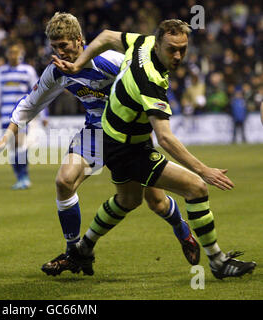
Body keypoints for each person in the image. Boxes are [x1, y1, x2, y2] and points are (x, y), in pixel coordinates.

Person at [0, 13, 200, 276]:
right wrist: (5, 138)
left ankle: (182, 230)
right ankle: (75, 252)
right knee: (63, 181)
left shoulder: (110, 60)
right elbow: (30, 104)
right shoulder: (57, 71)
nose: (60, 52)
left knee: (155, 200)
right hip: (95, 132)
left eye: (64, 45)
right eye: (54, 47)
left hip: (128, 134)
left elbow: (147, 80)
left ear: (79, 40)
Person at [52, 20, 256, 279]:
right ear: (159, 43)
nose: (178, 55)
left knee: (128, 200)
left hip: (114, 136)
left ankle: (83, 248)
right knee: (196, 187)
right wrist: (204, 170)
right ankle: (217, 261)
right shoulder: (150, 81)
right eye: (172, 49)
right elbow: (166, 138)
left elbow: (104, 36)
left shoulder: (143, 42)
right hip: (128, 147)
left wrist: (79, 64)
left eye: (183, 49)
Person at [0, 41, 46, 190]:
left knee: (19, 144)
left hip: (21, 115)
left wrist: (44, 114)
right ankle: (21, 177)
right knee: (12, 148)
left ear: (21, 54)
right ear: (7, 54)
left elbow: (39, 92)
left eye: (16, 52)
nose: (13, 55)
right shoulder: (0, 72)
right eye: (11, 52)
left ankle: (23, 176)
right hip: (5, 116)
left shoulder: (28, 71)